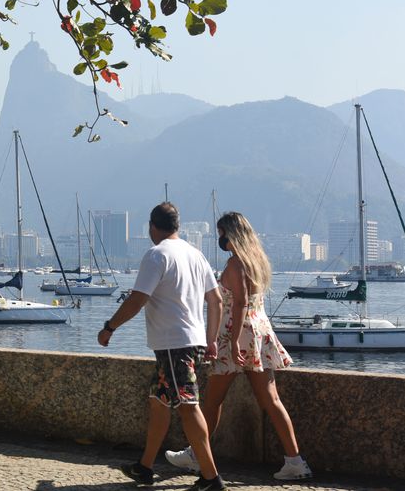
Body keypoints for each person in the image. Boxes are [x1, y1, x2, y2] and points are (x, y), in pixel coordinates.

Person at [164, 211, 313, 481]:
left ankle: (197, 456)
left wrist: (232, 344)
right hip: (258, 332)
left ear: (230, 235)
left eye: (221, 233)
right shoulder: (256, 262)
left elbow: (240, 302)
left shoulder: (234, 264)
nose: (219, 239)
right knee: (272, 400)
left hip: (236, 335)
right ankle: (296, 461)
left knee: (212, 401)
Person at [98, 202, 225, 491]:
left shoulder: (157, 255)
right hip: (191, 341)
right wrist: (212, 339)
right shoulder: (196, 254)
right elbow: (216, 301)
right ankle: (144, 467)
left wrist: (109, 328)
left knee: (188, 406)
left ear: (153, 227)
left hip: (173, 344)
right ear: (176, 226)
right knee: (159, 402)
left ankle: (211, 477)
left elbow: (136, 299)